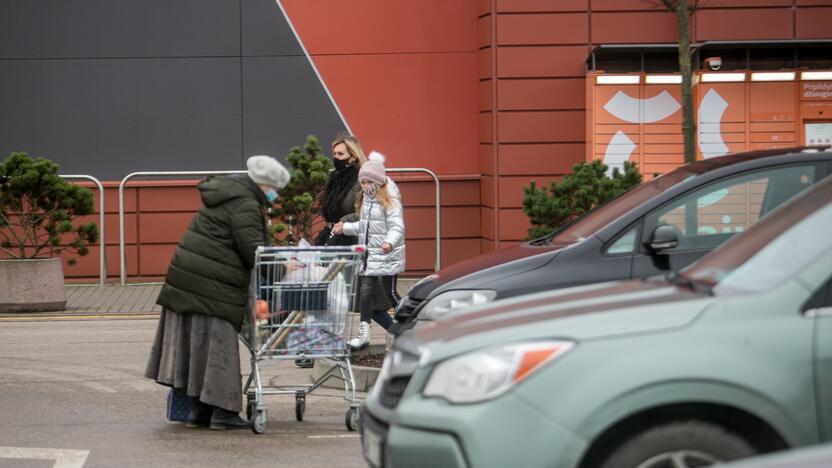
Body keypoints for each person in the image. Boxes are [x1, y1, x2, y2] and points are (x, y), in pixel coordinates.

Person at [145, 155, 290, 430]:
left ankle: (199, 411)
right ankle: (223, 412)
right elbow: (254, 253)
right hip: (211, 284)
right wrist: (285, 269)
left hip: (192, 279)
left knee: (197, 348)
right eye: (274, 189)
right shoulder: (245, 203)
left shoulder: (231, 193)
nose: (275, 195)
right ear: (264, 184)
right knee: (217, 347)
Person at [332, 151, 405, 350]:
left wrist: (389, 243)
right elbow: (363, 227)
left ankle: (409, 324)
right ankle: (363, 335)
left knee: (391, 295)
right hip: (369, 255)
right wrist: (344, 228)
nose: (364, 186)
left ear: (378, 182)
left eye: (367, 182)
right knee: (365, 294)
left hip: (387, 255)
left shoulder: (390, 201)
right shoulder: (366, 202)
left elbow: (397, 226)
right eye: (362, 183)